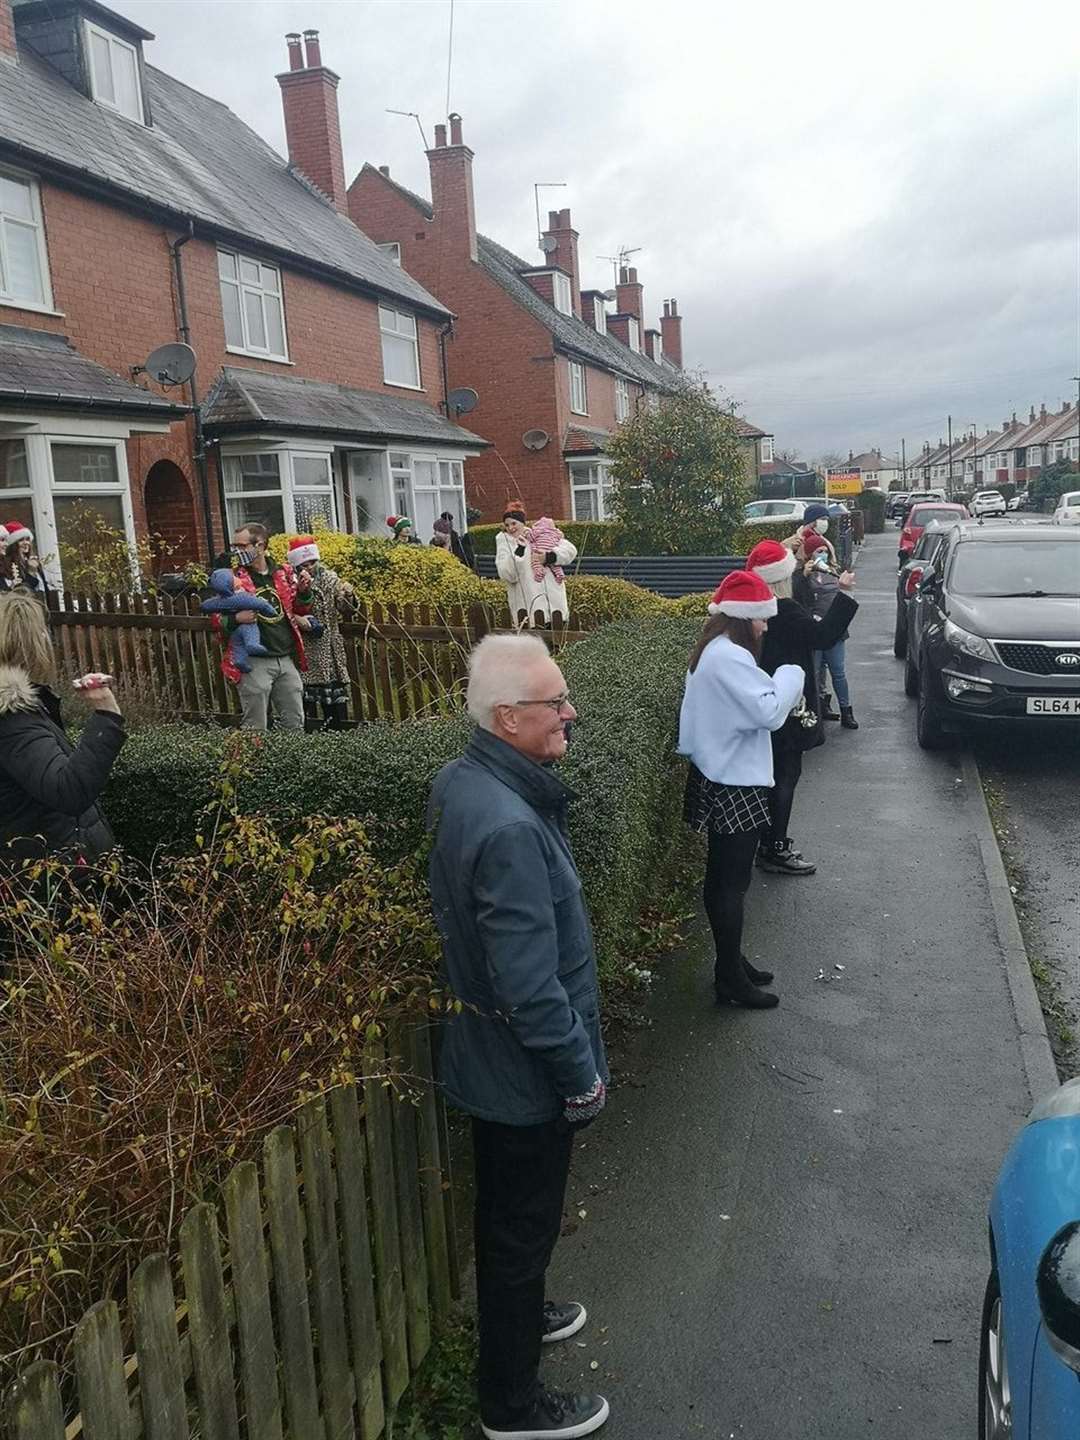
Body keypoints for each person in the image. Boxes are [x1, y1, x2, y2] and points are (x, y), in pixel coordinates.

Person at [427, 633, 610, 1440]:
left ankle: (521, 1311)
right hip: (524, 1076)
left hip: (490, 1060)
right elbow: (531, 989)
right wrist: (581, 1077)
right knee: (519, 1226)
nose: (570, 711)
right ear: (508, 718)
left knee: (508, 1216)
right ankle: (512, 1405)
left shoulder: (465, 780)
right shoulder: (507, 826)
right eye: (555, 702)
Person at [679, 571, 805, 1008]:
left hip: (722, 774)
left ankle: (730, 963)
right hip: (734, 782)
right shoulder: (729, 657)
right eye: (762, 619)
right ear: (743, 618)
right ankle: (729, 978)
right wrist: (791, 674)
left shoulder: (714, 650)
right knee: (731, 884)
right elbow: (770, 711)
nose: (766, 627)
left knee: (723, 881)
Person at [747, 538, 858, 876]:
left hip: (761, 699)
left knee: (770, 775)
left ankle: (765, 841)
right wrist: (844, 592)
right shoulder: (786, 610)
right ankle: (775, 847)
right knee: (787, 774)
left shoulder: (750, 610)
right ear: (781, 576)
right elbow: (823, 636)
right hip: (789, 705)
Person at [0, 590, 124, 864]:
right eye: (43, 632)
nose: (48, 639)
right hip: (55, 879)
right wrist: (106, 714)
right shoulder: (12, 717)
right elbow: (68, 791)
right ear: (29, 643)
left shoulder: (19, 708)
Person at [215, 524, 311, 732]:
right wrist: (236, 618)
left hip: (285, 657)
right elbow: (216, 618)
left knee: (294, 723)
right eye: (234, 546)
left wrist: (303, 592)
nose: (236, 551)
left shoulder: (283, 573)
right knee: (255, 726)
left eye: (241, 546)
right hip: (253, 661)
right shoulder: (232, 579)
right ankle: (254, 765)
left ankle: (291, 764)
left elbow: (297, 609)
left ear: (260, 545)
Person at [287, 535, 356, 730]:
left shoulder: (329, 578)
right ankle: (306, 736)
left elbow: (346, 609)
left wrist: (348, 595)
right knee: (304, 700)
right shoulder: (289, 582)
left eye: (312, 562)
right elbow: (288, 609)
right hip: (305, 648)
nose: (309, 567)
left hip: (329, 648)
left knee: (334, 701)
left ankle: (336, 736)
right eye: (304, 564)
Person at [803, 536, 858, 729]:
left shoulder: (834, 572)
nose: (823, 554)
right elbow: (801, 598)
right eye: (818, 551)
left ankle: (846, 711)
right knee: (815, 672)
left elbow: (845, 596)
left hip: (835, 629)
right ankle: (816, 710)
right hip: (814, 628)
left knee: (838, 671)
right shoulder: (805, 575)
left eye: (824, 550)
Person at [495, 502, 577, 628]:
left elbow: (570, 550)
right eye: (507, 525)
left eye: (514, 523)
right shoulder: (505, 543)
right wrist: (519, 551)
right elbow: (508, 574)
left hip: (556, 607)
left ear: (522, 523)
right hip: (529, 612)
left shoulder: (538, 534)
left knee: (559, 646)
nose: (511, 528)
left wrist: (549, 557)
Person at [0, 520, 49, 597]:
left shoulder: (33, 562)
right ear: (13, 544)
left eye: (27, 539)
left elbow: (46, 589)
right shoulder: (10, 565)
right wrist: (31, 572)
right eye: (21, 540)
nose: (26, 543)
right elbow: (23, 591)